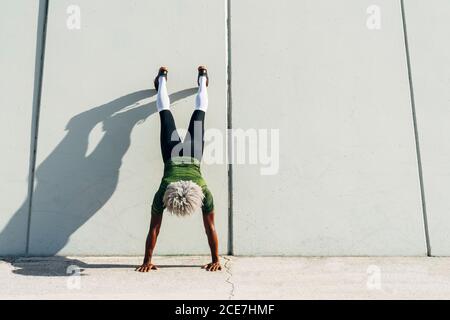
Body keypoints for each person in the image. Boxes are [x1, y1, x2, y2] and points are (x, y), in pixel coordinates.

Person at [136, 66, 222, 272]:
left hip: (194, 153)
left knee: (199, 114)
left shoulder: (201, 190)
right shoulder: (166, 189)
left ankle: (200, 78)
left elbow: (154, 227)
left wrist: (148, 261)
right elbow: (209, 228)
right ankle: (164, 80)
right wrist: (215, 259)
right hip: (172, 153)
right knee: (165, 114)